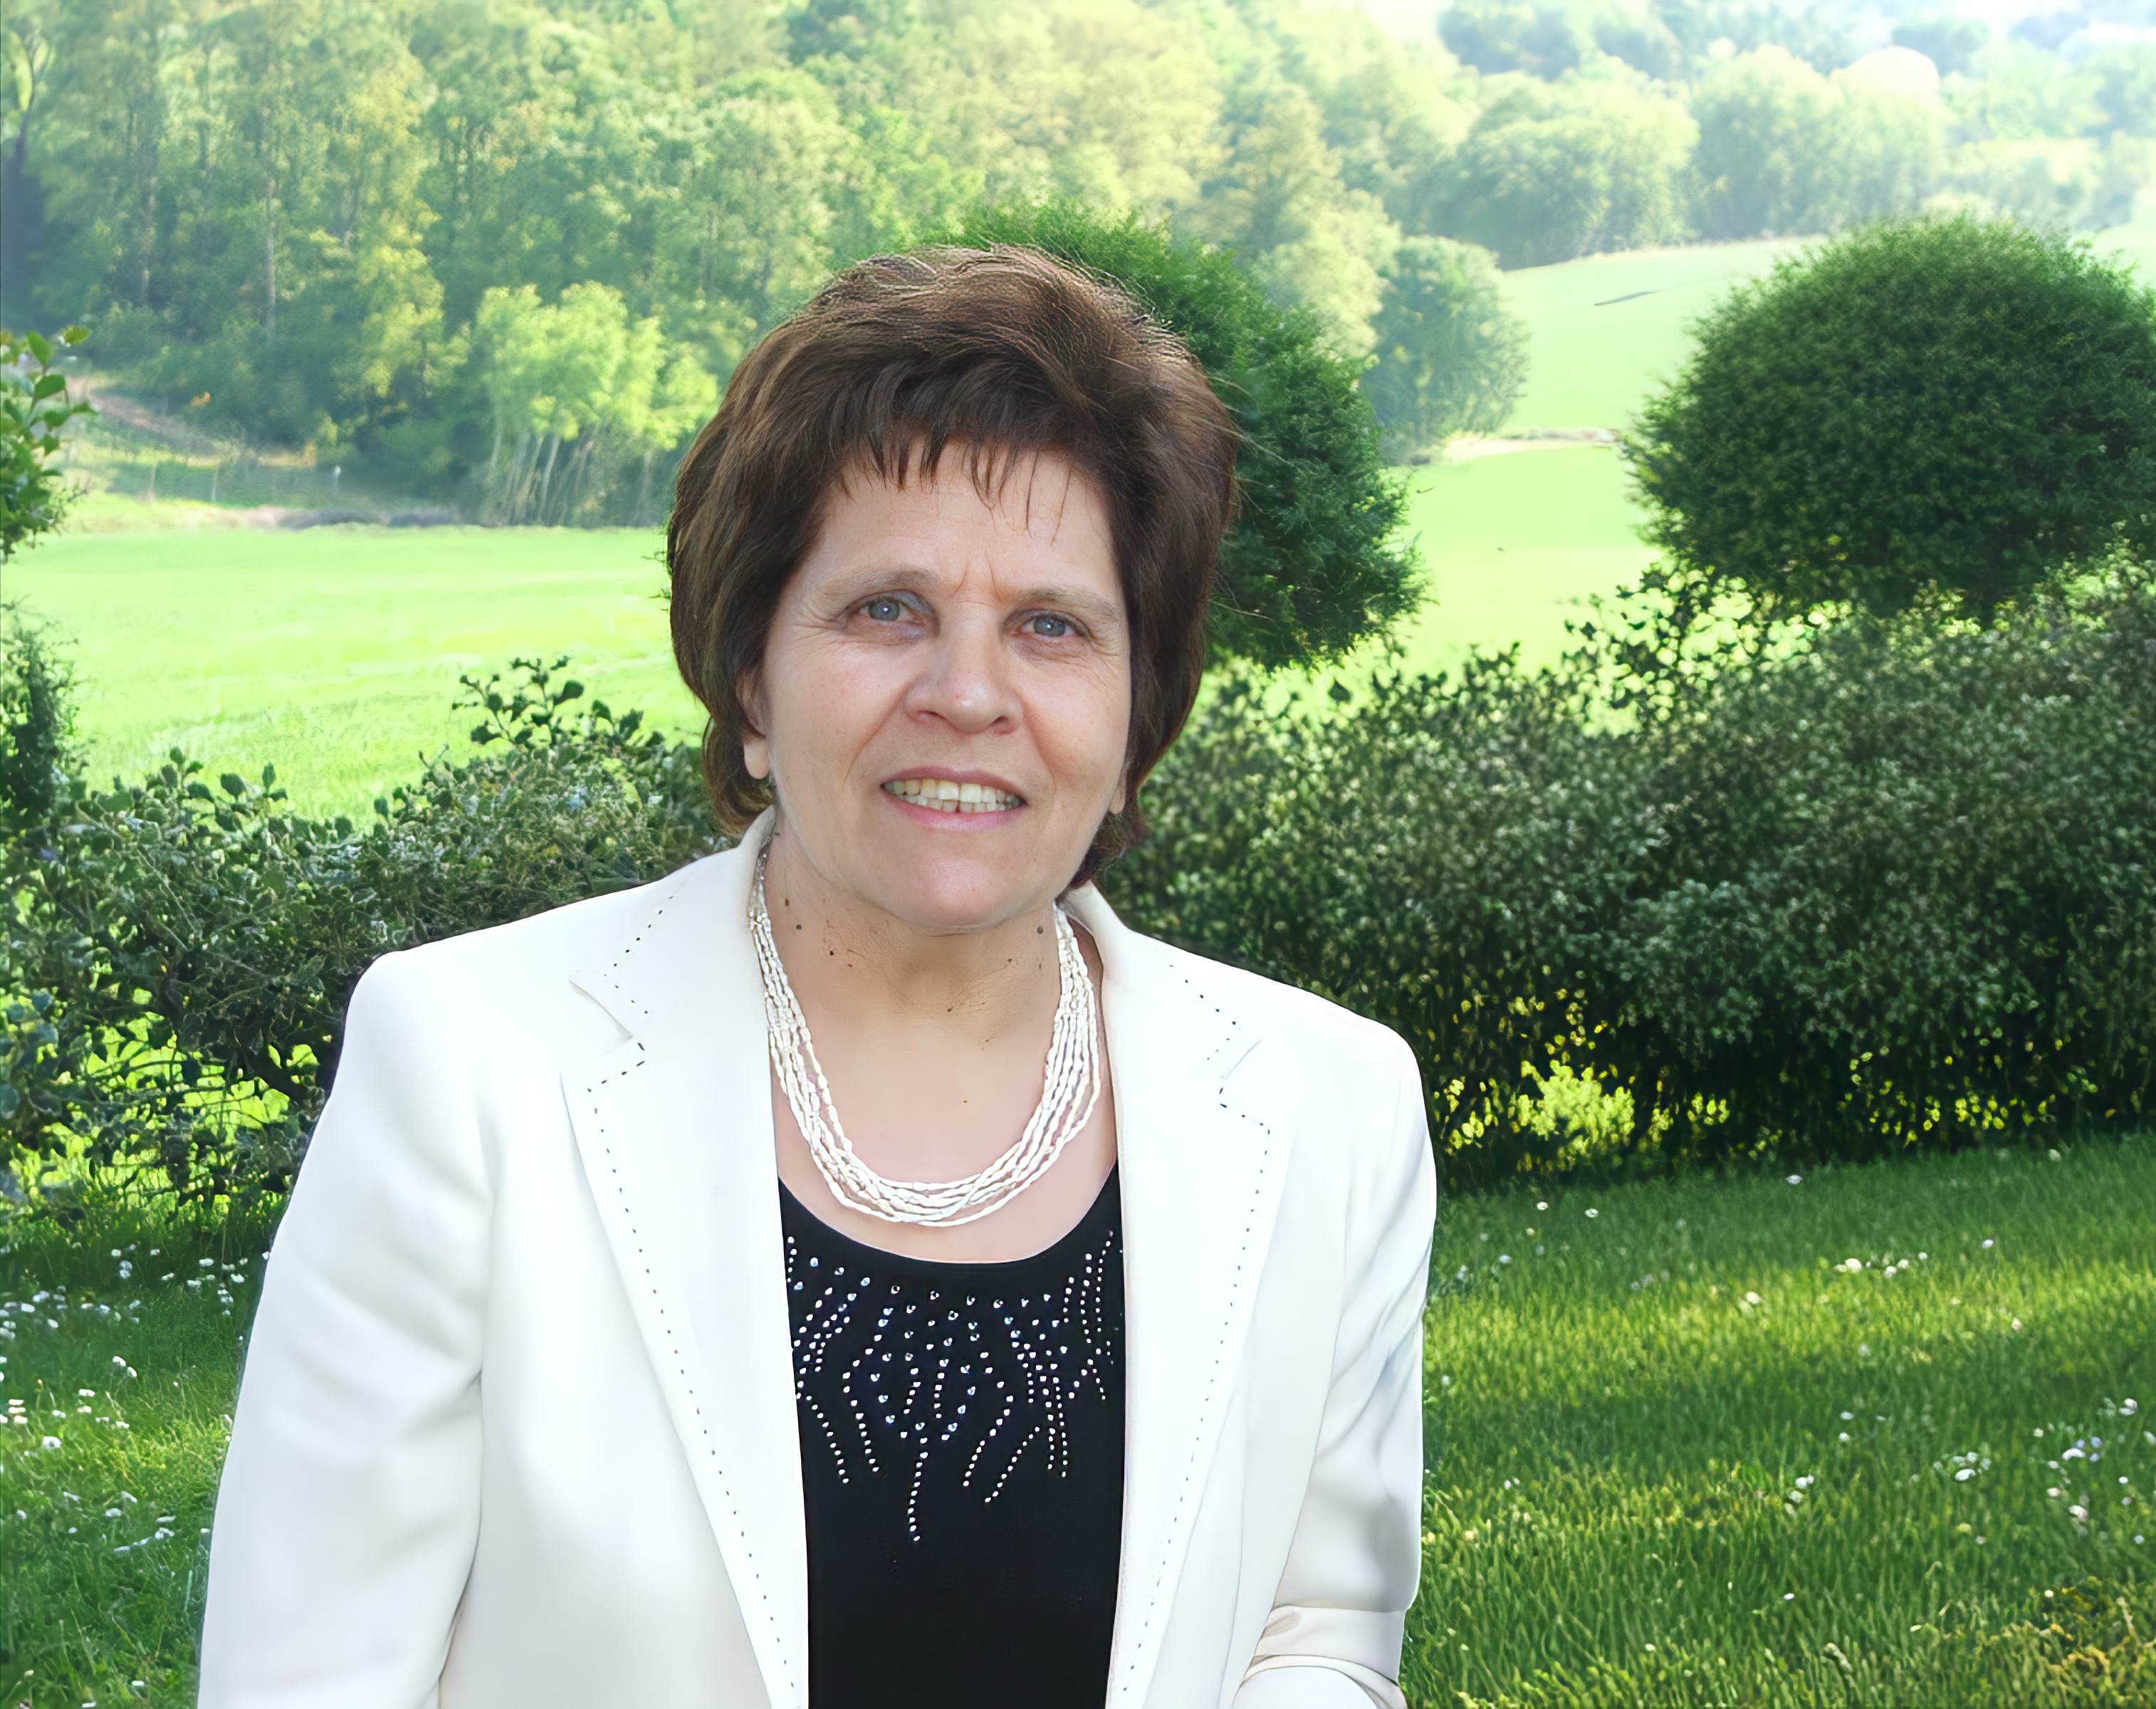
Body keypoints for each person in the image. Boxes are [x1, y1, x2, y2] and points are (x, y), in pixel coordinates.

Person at [200, 247, 1435, 1709]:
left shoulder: (1329, 1108)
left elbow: (1317, 1635)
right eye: (886, 610)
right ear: (750, 679)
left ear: (1134, 713)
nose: (966, 694)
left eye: (1051, 626)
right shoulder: (472, 1067)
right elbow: (309, 1676)